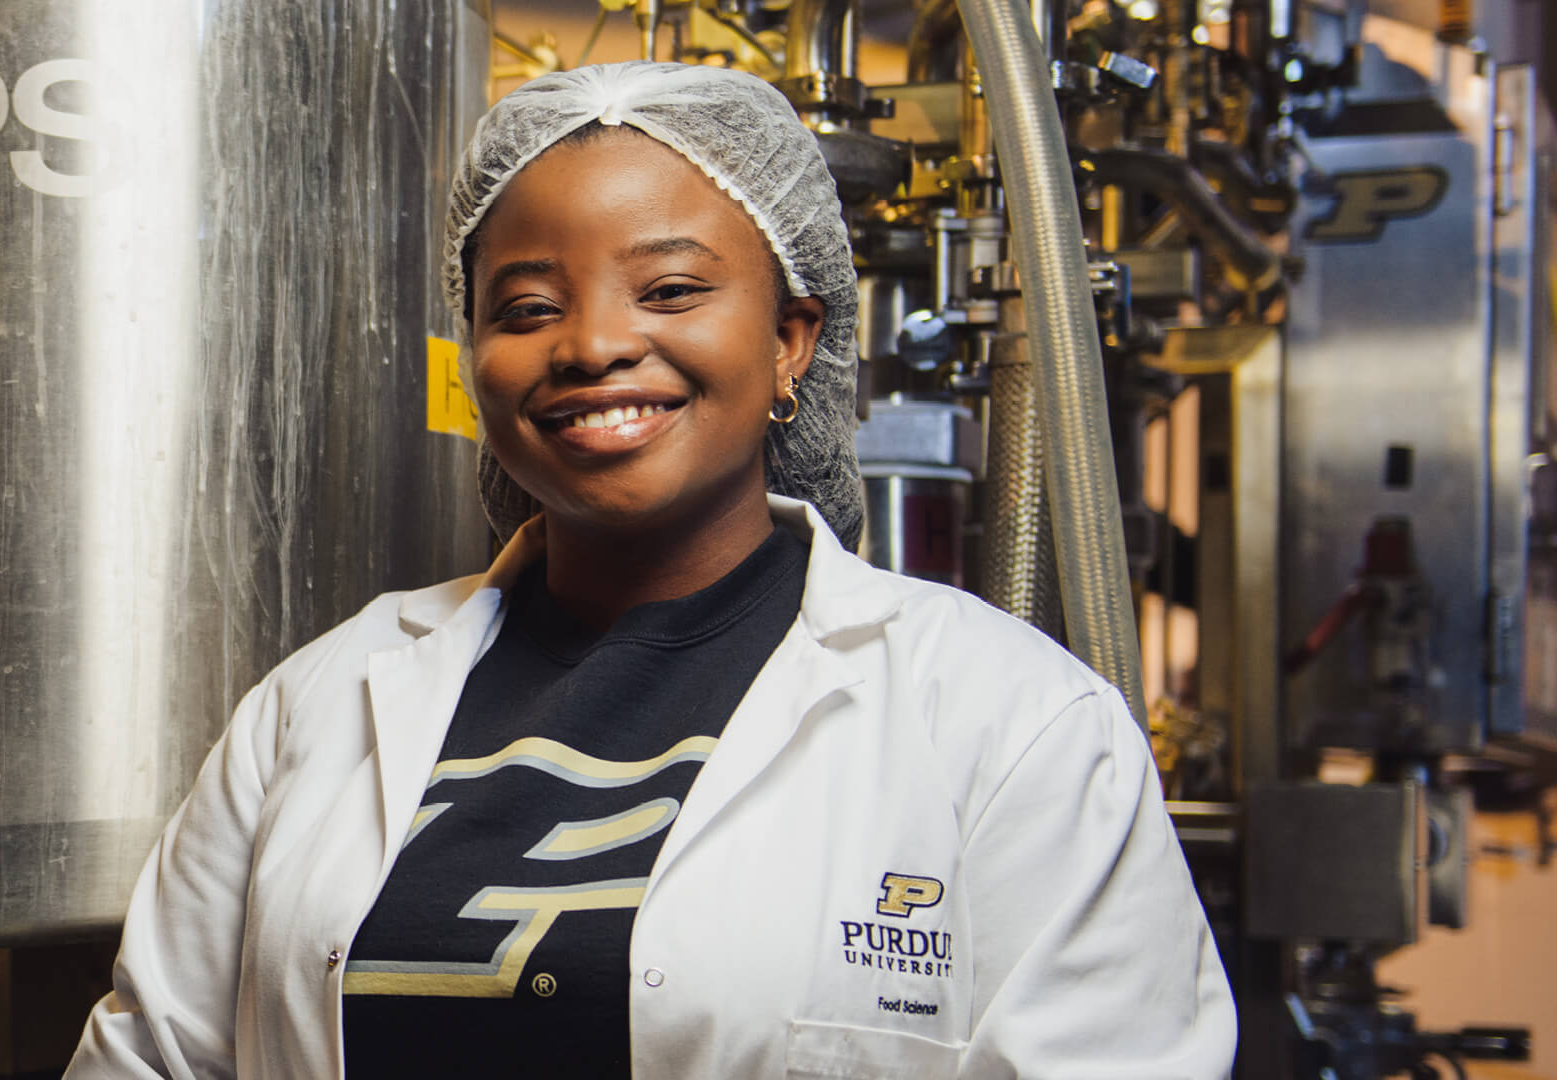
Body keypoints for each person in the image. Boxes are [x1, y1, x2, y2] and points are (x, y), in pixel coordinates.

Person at [64, 61, 1235, 1079]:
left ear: (791, 339)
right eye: (526, 305)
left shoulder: (1010, 722)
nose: (592, 343)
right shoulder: (319, 704)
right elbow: (155, 1058)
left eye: (671, 288)